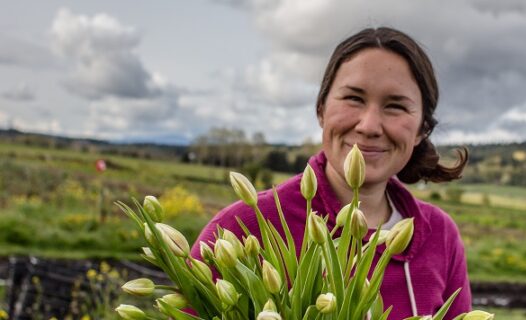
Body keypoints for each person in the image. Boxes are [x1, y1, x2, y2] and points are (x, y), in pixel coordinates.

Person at [190, 27, 471, 319]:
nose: (369, 126)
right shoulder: (241, 227)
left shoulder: (440, 234)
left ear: (422, 130)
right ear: (321, 109)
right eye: (353, 98)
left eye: (395, 106)